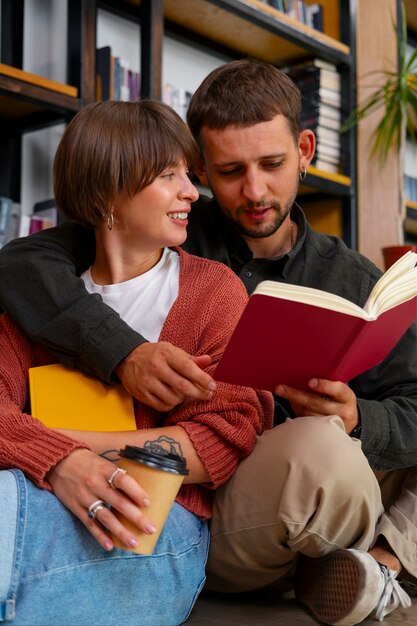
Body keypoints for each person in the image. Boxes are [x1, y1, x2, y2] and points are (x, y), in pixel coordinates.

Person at [0, 59, 416, 625]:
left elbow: (230, 431)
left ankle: (379, 563)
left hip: (282, 472)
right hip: (206, 496)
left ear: (306, 150)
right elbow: (21, 265)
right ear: (201, 168)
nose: (253, 190)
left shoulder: (346, 277)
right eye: (226, 171)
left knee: (330, 449)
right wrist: (123, 354)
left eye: (272, 164)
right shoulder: (159, 226)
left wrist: (359, 417)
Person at [0, 98, 273, 625]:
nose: (192, 192)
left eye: (188, 175)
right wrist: (58, 467)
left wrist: (68, 455)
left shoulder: (214, 292)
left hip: (156, 522)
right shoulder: (37, 304)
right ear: (107, 193)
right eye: (169, 175)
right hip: (33, 503)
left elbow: (225, 434)